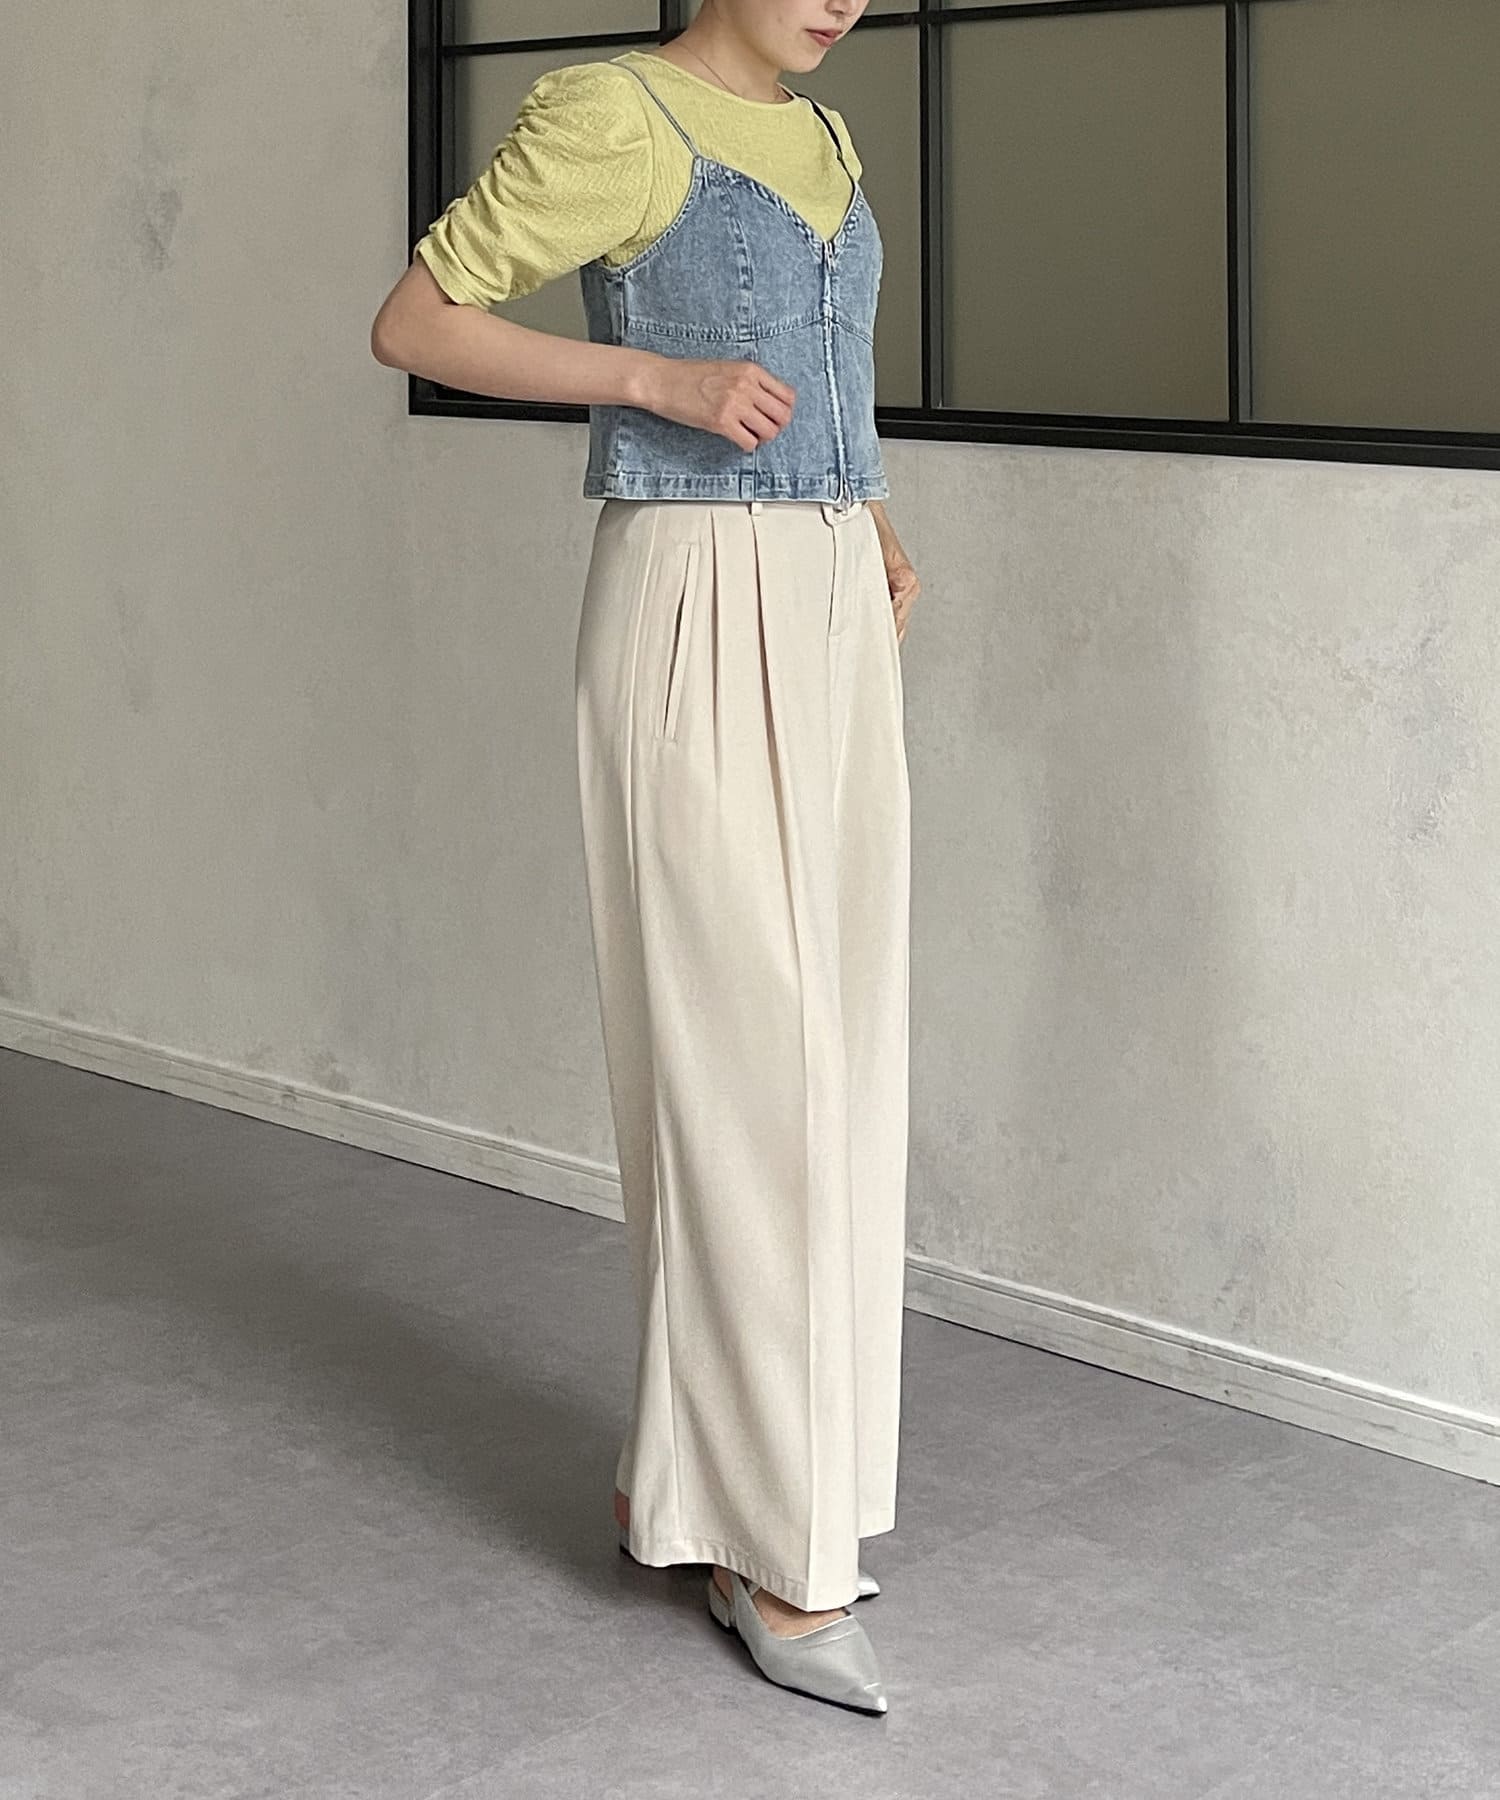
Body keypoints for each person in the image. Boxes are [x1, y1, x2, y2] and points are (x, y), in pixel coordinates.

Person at [371, 0, 921, 1716]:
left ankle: (690, 1489)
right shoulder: (616, 112)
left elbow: (819, 357)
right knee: (747, 1074)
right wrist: (648, 380)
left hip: (832, 605)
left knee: (838, 1061)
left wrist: (868, 510)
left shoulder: (823, 135)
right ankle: (775, 1549)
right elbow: (416, 322)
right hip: (692, 590)